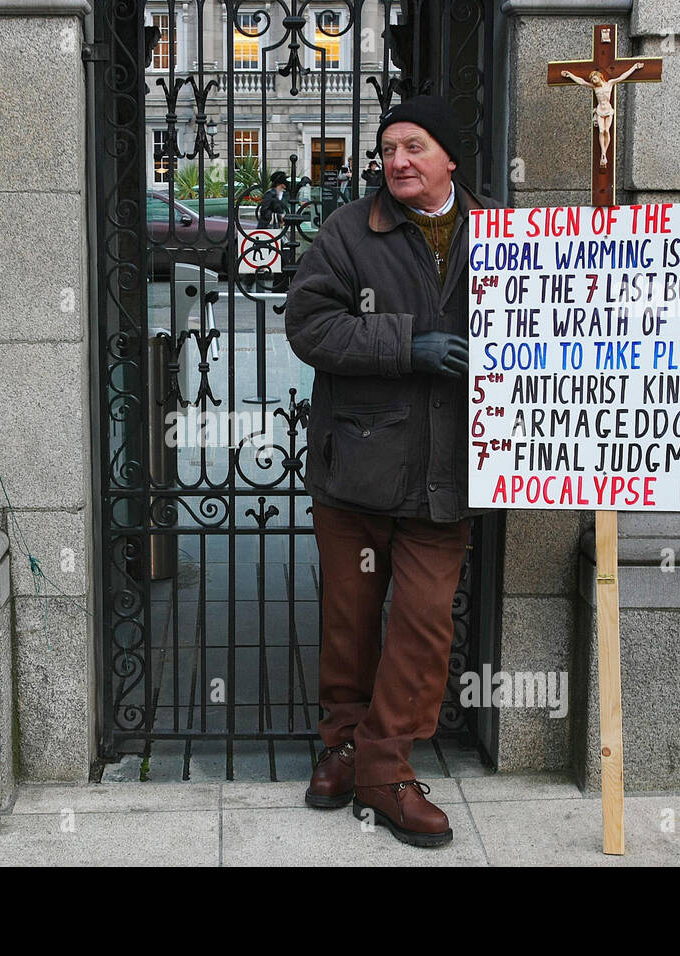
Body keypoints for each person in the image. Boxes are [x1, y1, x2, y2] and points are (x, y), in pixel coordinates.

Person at [286, 94, 501, 848]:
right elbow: (308, 325)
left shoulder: (505, 231)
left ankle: (384, 769)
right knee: (349, 625)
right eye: (388, 150)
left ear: (448, 158)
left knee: (421, 627)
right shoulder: (351, 229)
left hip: (452, 469)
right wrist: (405, 345)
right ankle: (342, 748)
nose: (398, 162)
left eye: (414, 146)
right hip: (358, 466)